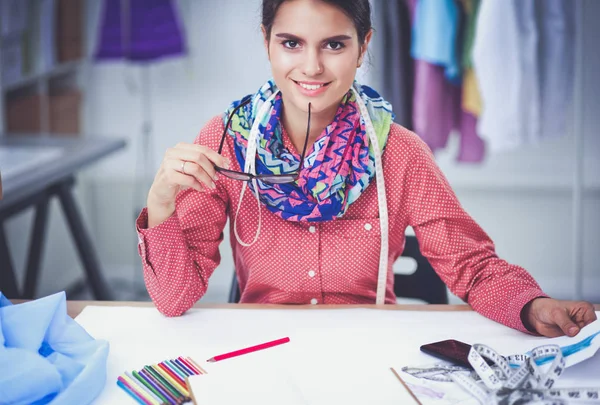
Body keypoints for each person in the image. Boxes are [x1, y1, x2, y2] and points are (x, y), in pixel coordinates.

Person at [136, 0, 596, 338]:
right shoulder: (224, 141)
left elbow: (472, 267)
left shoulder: (400, 151)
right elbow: (174, 299)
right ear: (266, 42)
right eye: (291, 43)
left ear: (363, 47)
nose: (312, 66)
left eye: (334, 44)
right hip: (259, 350)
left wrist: (531, 304)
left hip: (371, 350)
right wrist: (160, 203)